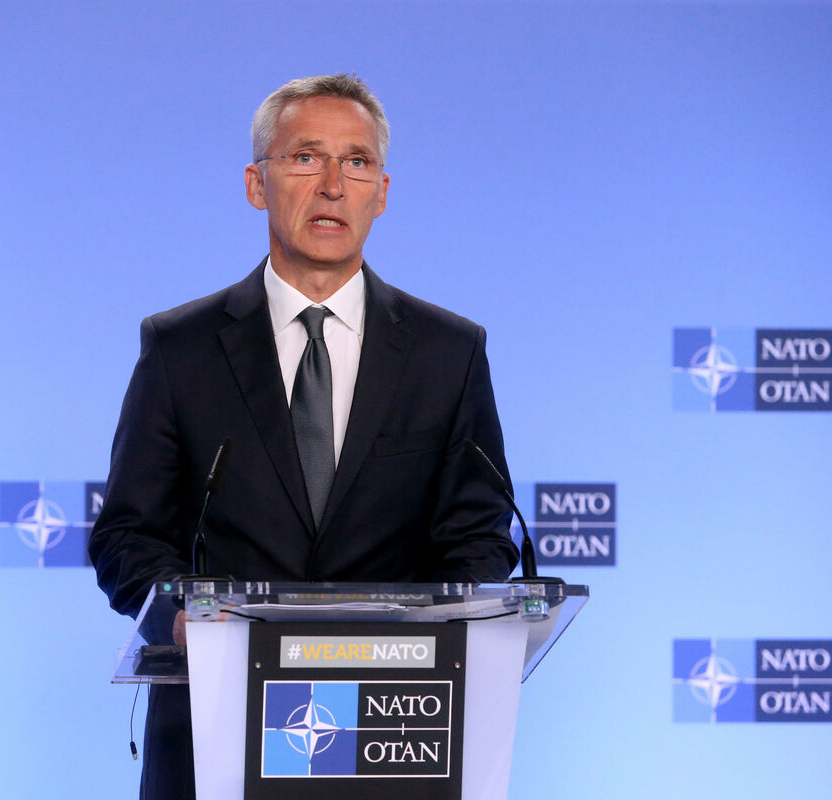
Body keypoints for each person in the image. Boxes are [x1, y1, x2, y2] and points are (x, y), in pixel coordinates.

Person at [89, 73, 518, 800]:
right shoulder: (179, 348)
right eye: (305, 157)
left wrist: (436, 628)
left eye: (357, 162)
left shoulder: (449, 352)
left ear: (382, 193)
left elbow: (478, 536)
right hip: (214, 730)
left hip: (393, 727)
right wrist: (187, 616)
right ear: (256, 184)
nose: (333, 185)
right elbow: (128, 535)